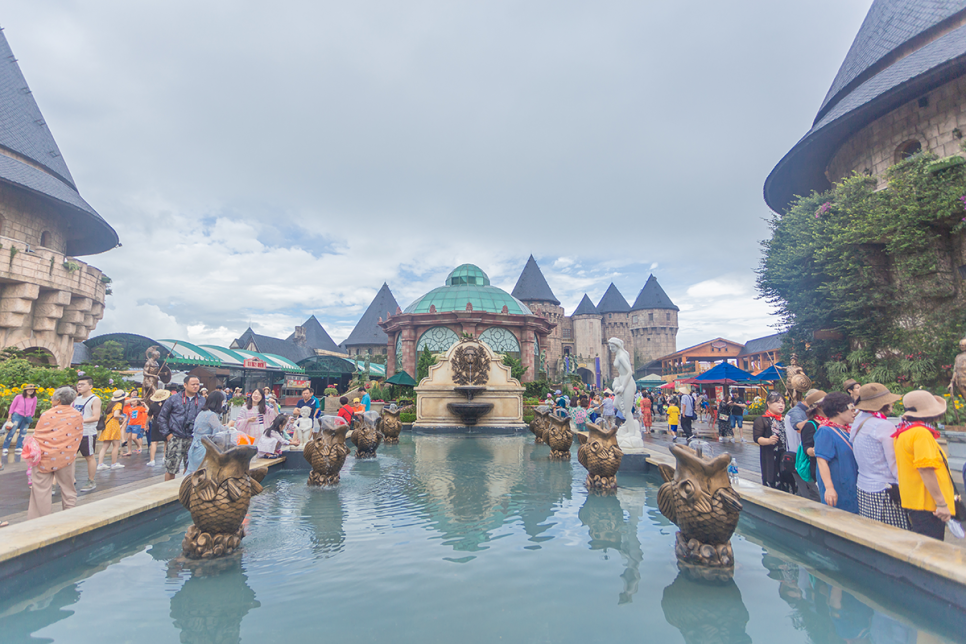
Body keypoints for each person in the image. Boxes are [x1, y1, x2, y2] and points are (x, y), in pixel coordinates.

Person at [893, 390, 958, 540]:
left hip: (915, 500)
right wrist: (941, 503)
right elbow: (925, 470)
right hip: (928, 503)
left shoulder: (903, 431)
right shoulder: (921, 433)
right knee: (931, 550)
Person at [851, 383, 909, 529]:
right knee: (893, 535)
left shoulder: (858, 420)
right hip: (884, 490)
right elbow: (894, 462)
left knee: (872, 532)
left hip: (864, 485)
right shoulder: (882, 425)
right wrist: (905, 486)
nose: (892, 404)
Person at [27, 387, 83, 520]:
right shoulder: (77, 415)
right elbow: (78, 435)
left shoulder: (47, 414)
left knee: (41, 489)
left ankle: (39, 520)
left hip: (44, 457)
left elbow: (38, 435)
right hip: (66, 456)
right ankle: (69, 517)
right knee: (68, 488)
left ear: (57, 400)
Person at [814, 392, 859, 514]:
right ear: (839, 410)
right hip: (838, 486)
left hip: (850, 483)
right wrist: (829, 488)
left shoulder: (845, 429)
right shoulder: (825, 431)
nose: (854, 413)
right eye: (851, 409)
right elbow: (821, 460)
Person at [157, 376, 205, 481]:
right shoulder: (174, 399)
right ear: (185, 385)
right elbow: (162, 417)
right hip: (176, 437)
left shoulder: (202, 400)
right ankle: (168, 491)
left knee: (191, 468)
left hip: (193, 439)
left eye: (198, 384)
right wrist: (168, 434)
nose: (196, 386)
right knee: (171, 468)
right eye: (193, 384)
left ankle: (186, 491)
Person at [186, 391, 235, 474]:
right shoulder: (211, 415)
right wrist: (229, 425)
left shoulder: (202, 412)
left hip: (195, 446)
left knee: (193, 472)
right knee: (202, 474)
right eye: (222, 401)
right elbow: (220, 431)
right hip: (203, 448)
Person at [753, 392, 788, 489]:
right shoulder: (762, 420)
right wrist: (768, 441)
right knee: (771, 479)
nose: (781, 405)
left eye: (783, 403)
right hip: (770, 455)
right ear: (768, 403)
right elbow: (757, 438)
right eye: (777, 402)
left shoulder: (784, 420)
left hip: (784, 455)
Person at [797, 390, 827, 502]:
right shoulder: (810, 425)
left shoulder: (830, 422)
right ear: (818, 407)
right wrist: (816, 451)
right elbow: (806, 448)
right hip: (818, 466)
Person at [72, 376, 101, 492]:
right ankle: (70, 478)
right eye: (78, 384)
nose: (79, 386)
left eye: (82, 384)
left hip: (87, 432)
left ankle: (91, 480)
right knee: (70, 457)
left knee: (89, 456)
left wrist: (80, 420)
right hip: (74, 432)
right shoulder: (75, 399)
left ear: (90, 386)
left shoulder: (95, 399)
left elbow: (96, 417)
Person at [96, 390, 127, 471]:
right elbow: (116, 415)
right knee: (116, 445)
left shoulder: (111, 404)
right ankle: (113, 463)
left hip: (107, 424)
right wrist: (123, 417)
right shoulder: (119, 404)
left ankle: (100, 464)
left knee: (104, 446)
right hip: (113, 425)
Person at [3, 383, 37, 454]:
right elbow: (12, 406)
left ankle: (18, 447)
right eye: (29, 390)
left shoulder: (34, 398)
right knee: (12, 431)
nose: (31, 391)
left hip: (27, 417)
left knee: (23, 432)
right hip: (17, 415)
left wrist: (30, 416)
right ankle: (5, 447)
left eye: (32, 390)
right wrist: (9, 416)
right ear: (26, 390)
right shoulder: (19, 397)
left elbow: (33, 408)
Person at [146, 389, 170, 467]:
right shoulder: (167, 404)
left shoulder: (153, 405)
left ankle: (152, 460)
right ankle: (164, 457)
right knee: (166, 441)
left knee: (154, 442)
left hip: (156, 423)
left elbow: (149, 416)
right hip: (166, 423)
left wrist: (146, 425)